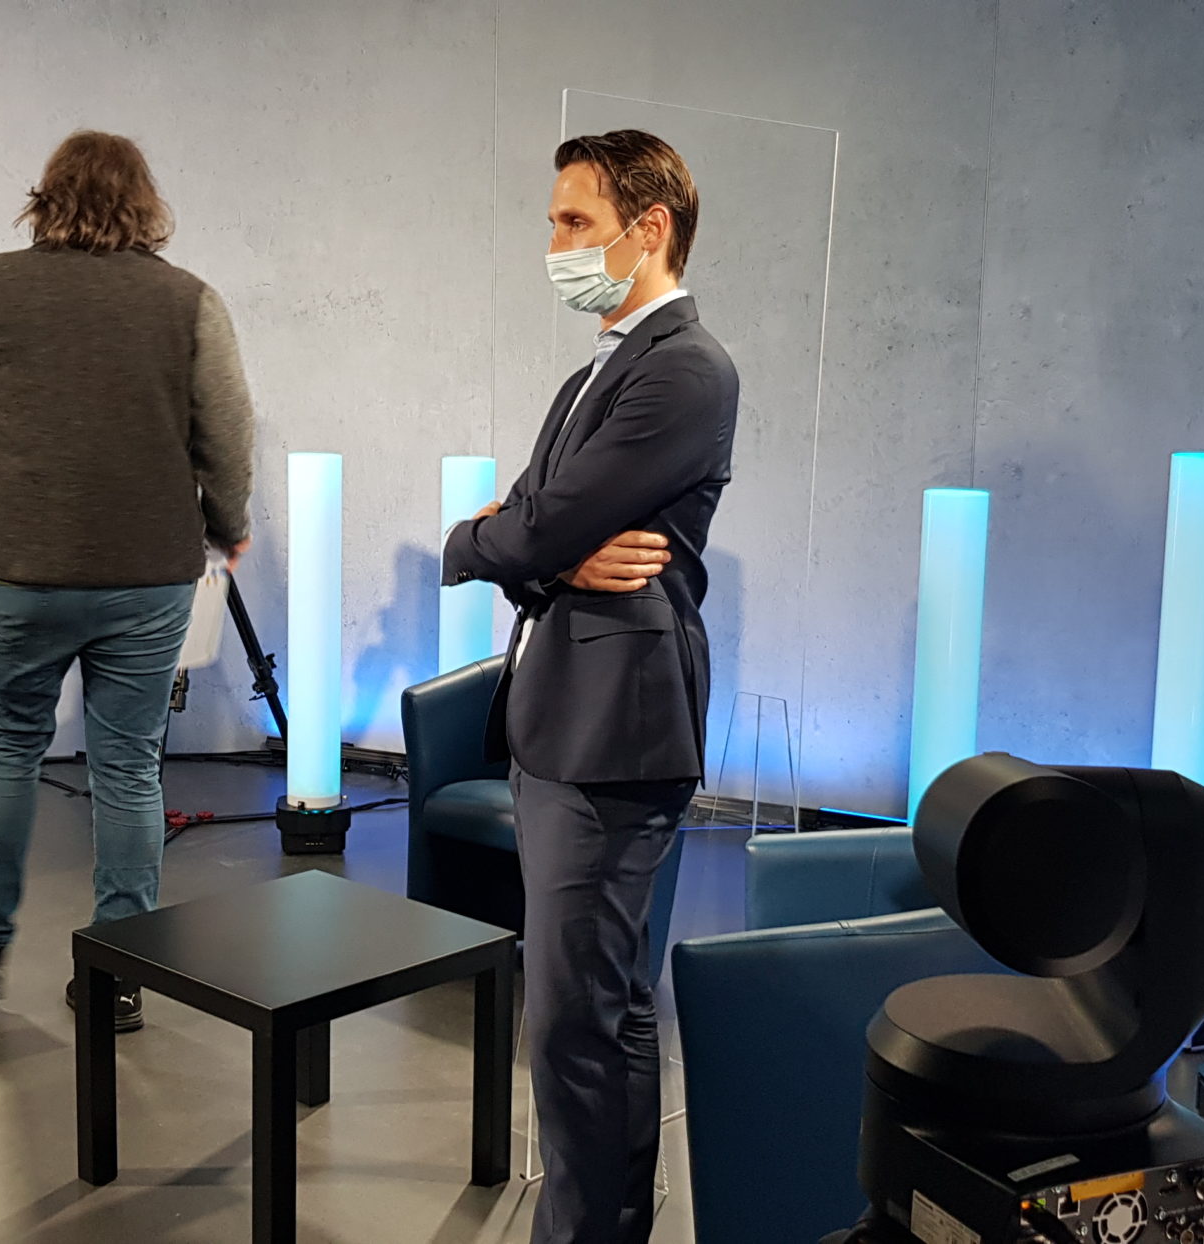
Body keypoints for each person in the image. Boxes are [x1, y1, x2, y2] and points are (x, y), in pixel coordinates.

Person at [442, 130, 737, 1244]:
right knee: (595, 1007)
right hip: (558, 717)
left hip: (617, 731)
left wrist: (508, 543)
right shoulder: (592, 374)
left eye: (576, 222)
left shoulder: (686, 369)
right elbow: (533, 530)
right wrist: (528, 548)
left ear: (648, 227)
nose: (557, 244)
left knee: (575, 1017)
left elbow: (531, 526)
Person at [0, 130, 254, 1035]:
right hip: (147, 574)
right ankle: (119, 974)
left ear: (45, 198)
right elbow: (226, 433)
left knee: (4, 749)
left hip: (19, 568)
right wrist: (228, 525)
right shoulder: (189, 300)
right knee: (129, 764)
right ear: (145, 204)